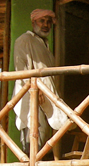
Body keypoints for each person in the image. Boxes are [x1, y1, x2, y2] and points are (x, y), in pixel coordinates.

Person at [12, 8, 70, 155]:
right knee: (32, 139)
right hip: (31, 96)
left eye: (48, 22)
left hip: (45, 97)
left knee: (42, 139)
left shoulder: (44, 45)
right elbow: (21, 70)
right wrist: (34, 90)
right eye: (42, 21)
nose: (45, 25)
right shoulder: (24, 40)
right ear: (33, 22)